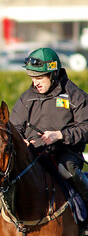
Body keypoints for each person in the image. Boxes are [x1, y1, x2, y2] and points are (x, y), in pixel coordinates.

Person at [10, 46, 88, 205]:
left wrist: (59, 135)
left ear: (53, 74)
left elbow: (85, 128)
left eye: (39, 78)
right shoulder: (26, 99)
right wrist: (19, 140)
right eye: (32, 78)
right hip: (33, 153)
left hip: (65, 153)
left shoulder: (76, 96)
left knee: (68, 171)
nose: (35, 83)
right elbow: (14, 127)